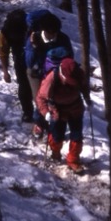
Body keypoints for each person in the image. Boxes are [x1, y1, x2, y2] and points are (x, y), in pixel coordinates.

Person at [35, 58, 91, 172]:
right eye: (70, 80)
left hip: (75, 107)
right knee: (57, 135)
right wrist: (46, 113)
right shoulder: (52, 78)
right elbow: (41, 98)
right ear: (63, 75)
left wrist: (87, 98)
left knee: (77, 135)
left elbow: (84, 86)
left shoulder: (79, 74)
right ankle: (55, 152)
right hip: (57, 109)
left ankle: (73, 160)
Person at [24, 11, 74, 139]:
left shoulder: (63, 38)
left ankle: (55, 124)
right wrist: (34, 47)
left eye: (55, 32)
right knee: (40, 98)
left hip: (56, 73)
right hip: (36, 73)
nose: (52, 35)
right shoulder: (34, 38)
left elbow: (70, 57)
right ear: (43, 30)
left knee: (56, 99)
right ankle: (40, 123)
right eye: (49, 32)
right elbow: (29, 62)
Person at [0, 9, 32, 122]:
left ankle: (29, 113)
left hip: (23, 59)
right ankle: (36, 113)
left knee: (25, 85)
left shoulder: (5, 31)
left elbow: (3, 52)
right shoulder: (30, 26)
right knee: (30, 85)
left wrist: (5, 72)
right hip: (32, 59)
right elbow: (3, 52)